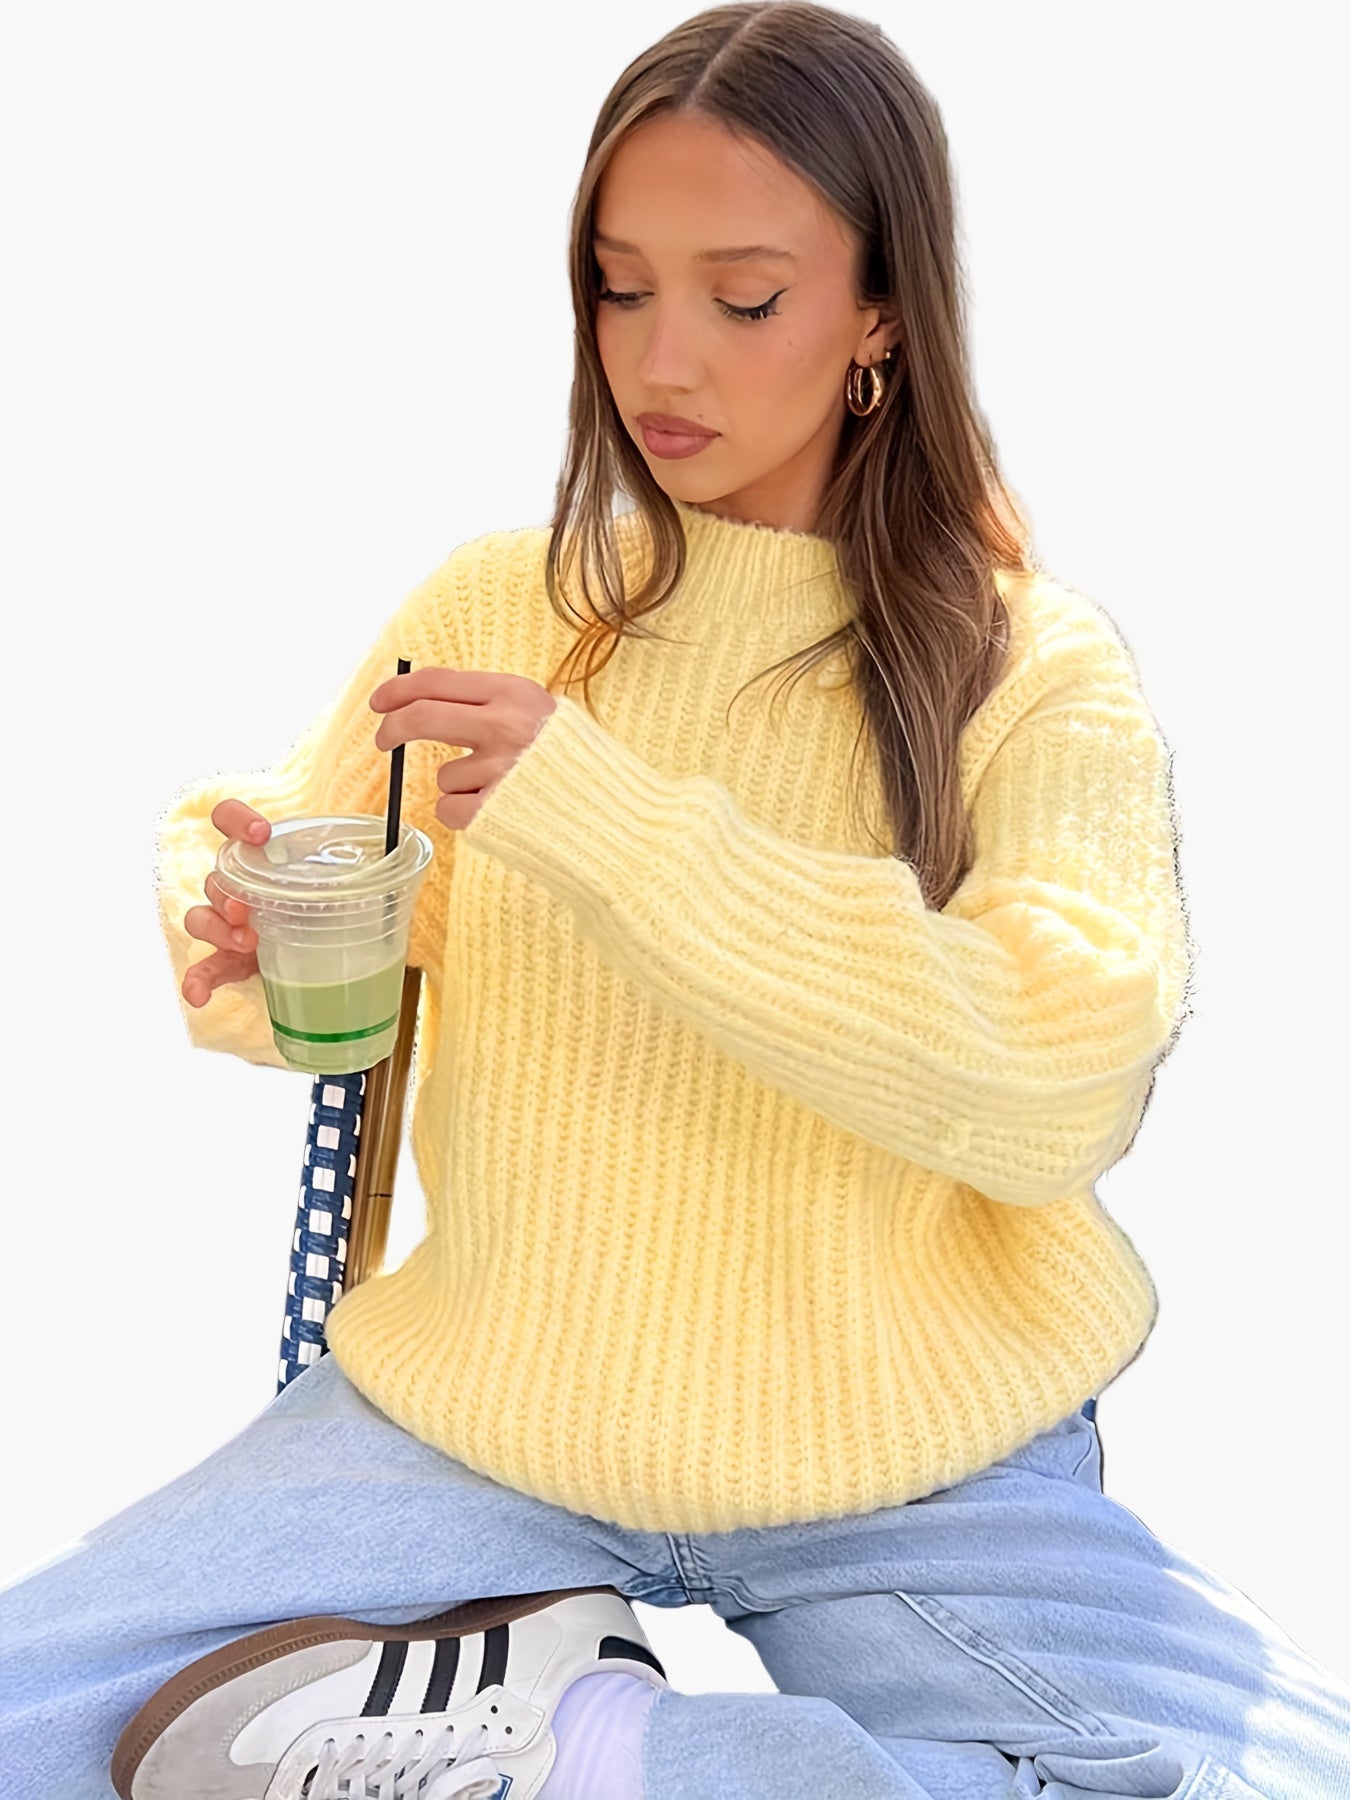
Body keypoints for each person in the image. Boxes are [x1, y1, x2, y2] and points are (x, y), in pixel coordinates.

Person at [3, 3, 1348, 1796]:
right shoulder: (500, 605)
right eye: (618, 288)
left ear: (880, 316)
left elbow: (1057, 1080)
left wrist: (620, 830)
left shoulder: (1029, 666)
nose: (663, 359)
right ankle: (520, 1719)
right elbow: (322, 868)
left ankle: (595, 1749)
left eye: (745, 297)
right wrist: (246, 927)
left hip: (908, 1455)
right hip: (482, 1415)